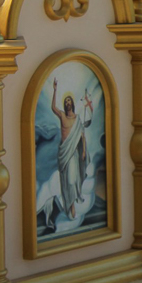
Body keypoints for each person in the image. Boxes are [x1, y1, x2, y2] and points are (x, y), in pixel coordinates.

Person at [50, 78, 93, 219]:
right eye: (66, 101)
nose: (68, 103)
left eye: (69, 101)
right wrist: (55, 90)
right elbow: (53, 108)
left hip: (73, 153)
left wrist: (84, 151)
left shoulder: (77, 119)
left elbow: (82, 136)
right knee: (66, 180)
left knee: (72, 180)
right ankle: (70, 204)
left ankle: (73, 202)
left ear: (72, 104)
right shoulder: (62, 115)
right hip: (64, 153)